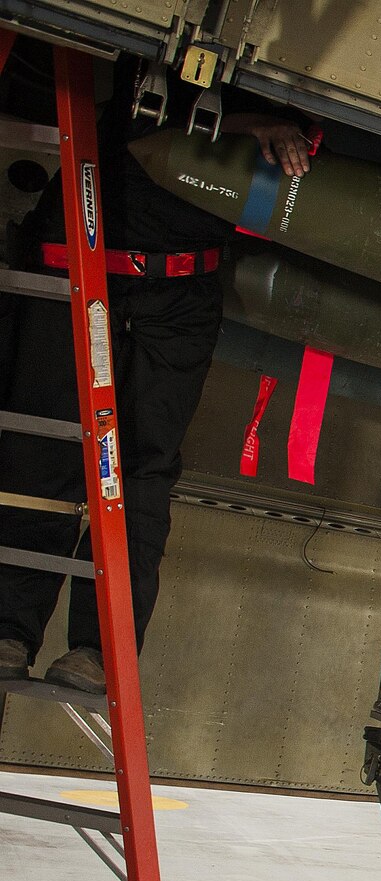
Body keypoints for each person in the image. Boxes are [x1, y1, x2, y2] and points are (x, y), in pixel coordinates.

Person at [0, 53, 314, 694]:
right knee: (43, 455)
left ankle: (97, 649)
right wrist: (247, 125)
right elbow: (139, 129)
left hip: (176, 295)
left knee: (139, 470)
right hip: (77, 270)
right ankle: (8, 631)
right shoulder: (147, 54)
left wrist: (272, 131)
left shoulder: (273, 58)